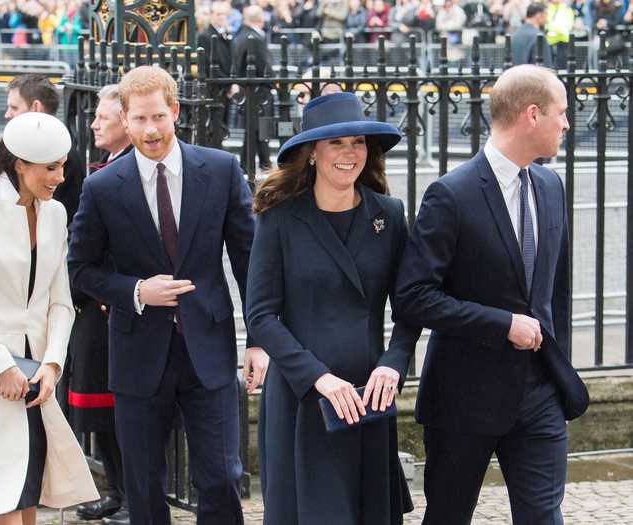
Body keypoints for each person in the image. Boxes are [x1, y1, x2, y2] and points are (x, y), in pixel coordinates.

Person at [67, 65, 268, 525]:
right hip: (137, 352)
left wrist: (258, 339)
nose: (150, 129)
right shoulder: (102, 188)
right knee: (144, 485)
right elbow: (79, 269)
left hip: (209, 352)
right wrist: (137, 290)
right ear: (124, 118)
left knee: (220, 478)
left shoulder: (220, 170)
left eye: (158, 116)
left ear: (175, 111)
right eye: (138, 119)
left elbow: (250, 261)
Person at [394, 65, 590, 524]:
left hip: (540, 394)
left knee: (544, 517)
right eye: (562, 113)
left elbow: (553, 292)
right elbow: (414, 296)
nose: (566, 123)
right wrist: (503, 324)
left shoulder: (550, 185)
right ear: (532, 114)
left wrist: (555, 362)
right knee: (447, 516)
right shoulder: (451, 194)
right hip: (464, 398)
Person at [246, 92, 414, 525]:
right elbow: (261, 316)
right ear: (312, 152)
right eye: (336, 143)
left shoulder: (389, 215)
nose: (349, 153)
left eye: (357, 142)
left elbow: (411, 307)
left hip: (368, 394)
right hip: (304, 397)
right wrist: (318, 378)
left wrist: (393, 364)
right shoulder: (279, 218)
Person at [0, 112, 99, 523]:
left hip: (37, 375)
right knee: (2, 493)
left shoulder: (55, 215)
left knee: (29, 489)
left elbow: (60, 301)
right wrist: (2, 366)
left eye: (62, 165)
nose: (61, 177)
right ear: (19, 165)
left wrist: (52, 363)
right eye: (51, 167)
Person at [70, 84, 133, 524]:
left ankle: (132, 497)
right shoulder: (105, 167)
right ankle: (116, 489)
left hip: (119, 307)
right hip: (95, 305)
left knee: (123, 412)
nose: (93, 124)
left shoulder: (130, 170)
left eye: (103, 117)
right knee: (102, 412)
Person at [5, 73, 85, 224]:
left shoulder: (63, 153)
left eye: (14, 108)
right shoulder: (12, 147)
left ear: (36, 107)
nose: (7, 114)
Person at [233, 5, 273, 173]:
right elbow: (265, 66)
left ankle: (248, 165)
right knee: (260, 129)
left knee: (254, 130)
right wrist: (273, 82)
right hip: (258, 91)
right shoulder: (254, 38)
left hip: (247, 90)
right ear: (261, 19)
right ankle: (264, 164)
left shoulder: (239, 35)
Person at [197, 0, 234, 149]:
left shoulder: (225, 34)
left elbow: (230, 60)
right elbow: (207, 65)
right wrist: (228, 83)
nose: (222, 17)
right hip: (213, 89)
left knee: (222, 126)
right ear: (211, 15)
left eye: (224, 14)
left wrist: (231, 83)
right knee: (213, 128)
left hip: (224, 88)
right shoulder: (205, 36)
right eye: (218, 14)